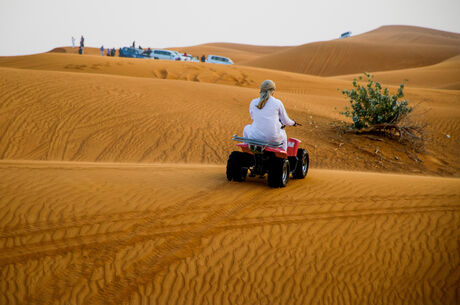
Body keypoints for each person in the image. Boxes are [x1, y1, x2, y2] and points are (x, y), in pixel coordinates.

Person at [243, 80, 297, 151]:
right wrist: (293, 123)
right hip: (273, 138)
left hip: (255, 137)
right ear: (273, 91)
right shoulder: (278, 103)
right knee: (283, 134)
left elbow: (252, 117)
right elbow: (286, 121)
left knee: (246, 128)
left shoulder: (253, 102)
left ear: (261, 90)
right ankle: (284, 154)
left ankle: (247, 150)